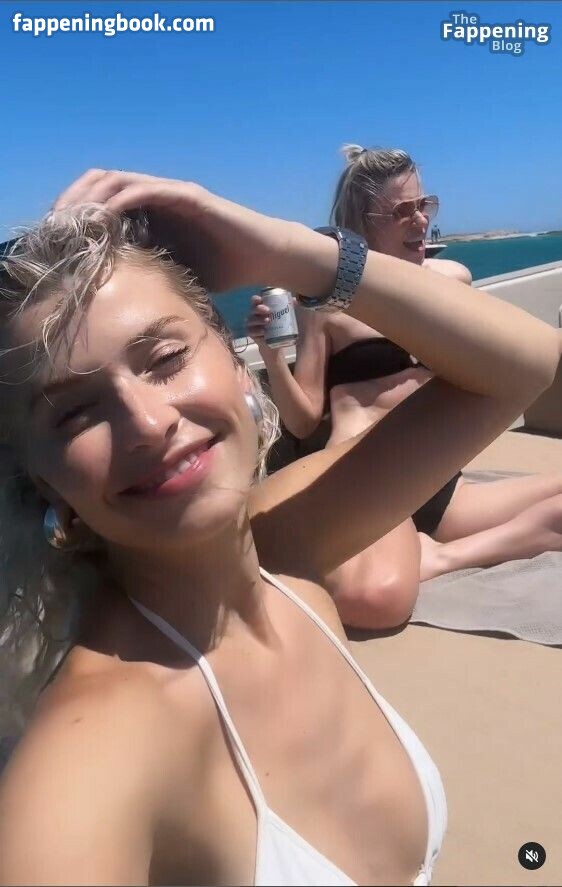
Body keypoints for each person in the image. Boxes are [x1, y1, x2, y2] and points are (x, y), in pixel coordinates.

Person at [0, 169, 558, 887]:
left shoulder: (284, 547)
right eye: (76, 413)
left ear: (235, 366)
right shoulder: (90, 763)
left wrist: (291, 251)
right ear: (44, 480)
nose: (147, 424)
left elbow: (525, 367)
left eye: (165, 359)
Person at [247, 145, 562, 630]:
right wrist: (271, 354)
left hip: (438, 475)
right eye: (402, 211)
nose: (420, 220)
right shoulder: (326, 306)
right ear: (364, 221)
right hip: (369, 473)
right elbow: (304, 420)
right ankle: (433, 554)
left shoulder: (453, 280)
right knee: (376, 600)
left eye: (424, 205)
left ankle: (436, 556)